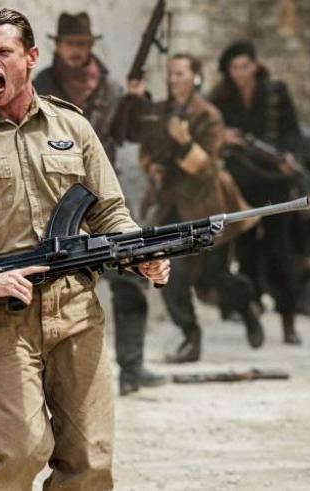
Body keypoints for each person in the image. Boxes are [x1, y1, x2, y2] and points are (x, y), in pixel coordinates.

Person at [0, 8, 169, 490]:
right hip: (2, 318)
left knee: (90, 461)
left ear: (30, 57)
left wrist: (141, 253)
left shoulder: (73, 128)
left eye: (4, 52)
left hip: (75, 313)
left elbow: (110, 212)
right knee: (19, 454)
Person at [33, 11, 165, 396]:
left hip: (101, 198)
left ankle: (132, 368)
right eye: (72, 44)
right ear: (59, 46)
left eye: (84, 45)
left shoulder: (109, 86)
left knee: (132, 275)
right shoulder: (41, 85)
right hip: (52, 198)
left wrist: (138, 102)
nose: (77, 52)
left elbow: (131, 135)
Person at [120, 53, 264, 363]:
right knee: (170, 273)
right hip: (171, 203)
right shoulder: (160, 112)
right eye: (171, 75)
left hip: (205, 203)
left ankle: (246, 305)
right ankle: (190, 335)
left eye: (181, 74)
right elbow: (146, 148)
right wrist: (153, 167)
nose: (174, 80)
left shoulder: (208, 116)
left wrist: (185, 143)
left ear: (195, 77)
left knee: (213, 278)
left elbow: (209, 170)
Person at [209, 40, 304, 345]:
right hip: (242, 184)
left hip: (275, 181)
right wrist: (225, 139)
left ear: (255, 65)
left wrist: (290, 157)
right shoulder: (221, 98)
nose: (240, 73)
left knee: (280, 250)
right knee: (247, 251)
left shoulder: (275, 93)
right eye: (234, 68)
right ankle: (251, 310)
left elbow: (292, 132)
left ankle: (289, 319)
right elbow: (209, 133)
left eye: (245, 66)